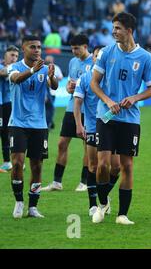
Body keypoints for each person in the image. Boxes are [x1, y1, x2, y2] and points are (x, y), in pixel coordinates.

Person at [90, 12, 151, 225]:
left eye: (118, 28)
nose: (113, 32)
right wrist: (108, 100)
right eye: (113, 27)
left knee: (126, 166)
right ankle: (102, 204)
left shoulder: (145, 57)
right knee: (102, 165)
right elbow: (94, 83)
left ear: (129, 30)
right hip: (106, 116)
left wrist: (135, 97)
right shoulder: (106, 52)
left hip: (129, 119)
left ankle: (122, 215)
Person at [9, 35, 59, 218]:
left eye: (39, 47)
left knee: (37, 166)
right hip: (18, 123)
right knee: (17, 164)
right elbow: (16, 79)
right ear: (24, 48)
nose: (37, 50)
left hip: (39, 124)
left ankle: (32, 207)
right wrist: (32, 70)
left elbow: (54, 87)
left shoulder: (44, 69)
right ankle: (19, 202)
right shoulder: (14, 67)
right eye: (33, 47)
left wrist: (52, 77)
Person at [42, 34, 94, 192]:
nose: (74, 51)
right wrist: (69, 88)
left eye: (76, 48)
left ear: (85, 47)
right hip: (72, 108)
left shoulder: (94, 62)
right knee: (61, 143)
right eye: (72, 48)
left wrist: (78, 85)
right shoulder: (73, 62)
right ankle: (57, 182)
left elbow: (94, 85)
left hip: (88, 110)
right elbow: (69, 85)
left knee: (87, 147)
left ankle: (84, 182)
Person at [74, 45, 120, 217]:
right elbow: (77, 103)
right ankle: (94, 205)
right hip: (93, 126)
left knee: (116, 167)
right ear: (93, 58)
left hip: (112, 125)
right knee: (94, 165)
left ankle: (104, 194)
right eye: (96, 55)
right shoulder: (85, 78)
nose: (98, 58)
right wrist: (79, 125)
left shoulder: (112, 78)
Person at [0, 45, 19, 172]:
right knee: (3, 131)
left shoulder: (16, 68)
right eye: (12, 55)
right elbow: (2, 72)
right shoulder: (2, 67)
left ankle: (11, 161)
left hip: (10, 103)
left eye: (16, 56)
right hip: (2, 103)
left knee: (9, 132)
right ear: (5, 56)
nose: (14, 58)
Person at [44, 55, 63, 129]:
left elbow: (60, 78)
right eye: (47, 61)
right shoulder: (43, 68)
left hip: (52, 92)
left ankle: (49, 122)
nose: (49, 62)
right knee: (50, 108)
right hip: (45, 92)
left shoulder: (56, 68)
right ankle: (48, 123)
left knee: (49, 108)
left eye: (50, 61)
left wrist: (53, 77)